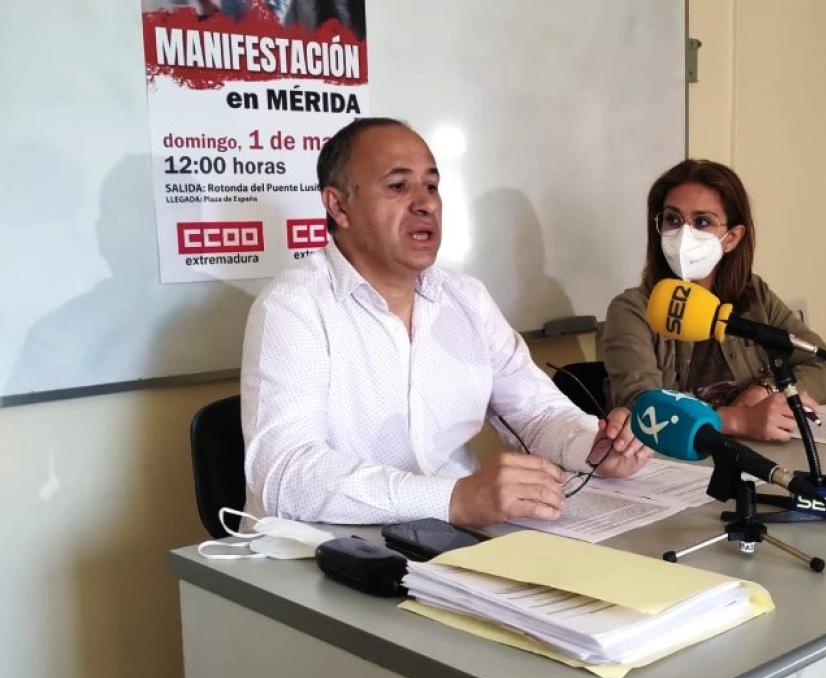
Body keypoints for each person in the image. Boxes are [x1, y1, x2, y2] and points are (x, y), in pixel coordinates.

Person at [241, 117, 650, 527]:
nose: (427, 204)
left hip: (452, 541)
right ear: (338, 205)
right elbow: (284, 474)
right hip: (330, 549)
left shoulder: (465, 298)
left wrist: (593, 446)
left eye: (432, 186)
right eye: (398, 186)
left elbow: (536, 413)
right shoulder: (293, 306)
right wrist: (451, 498)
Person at [602, 159, 826, 442]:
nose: (684, 234)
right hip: (682, 459)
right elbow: (643, 407)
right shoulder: (632, 309)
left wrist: (765, 389)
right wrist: (737, 420)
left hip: (759, 450)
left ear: (732, 237)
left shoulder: (755, 295)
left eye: (702, 222)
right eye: (673, 219)